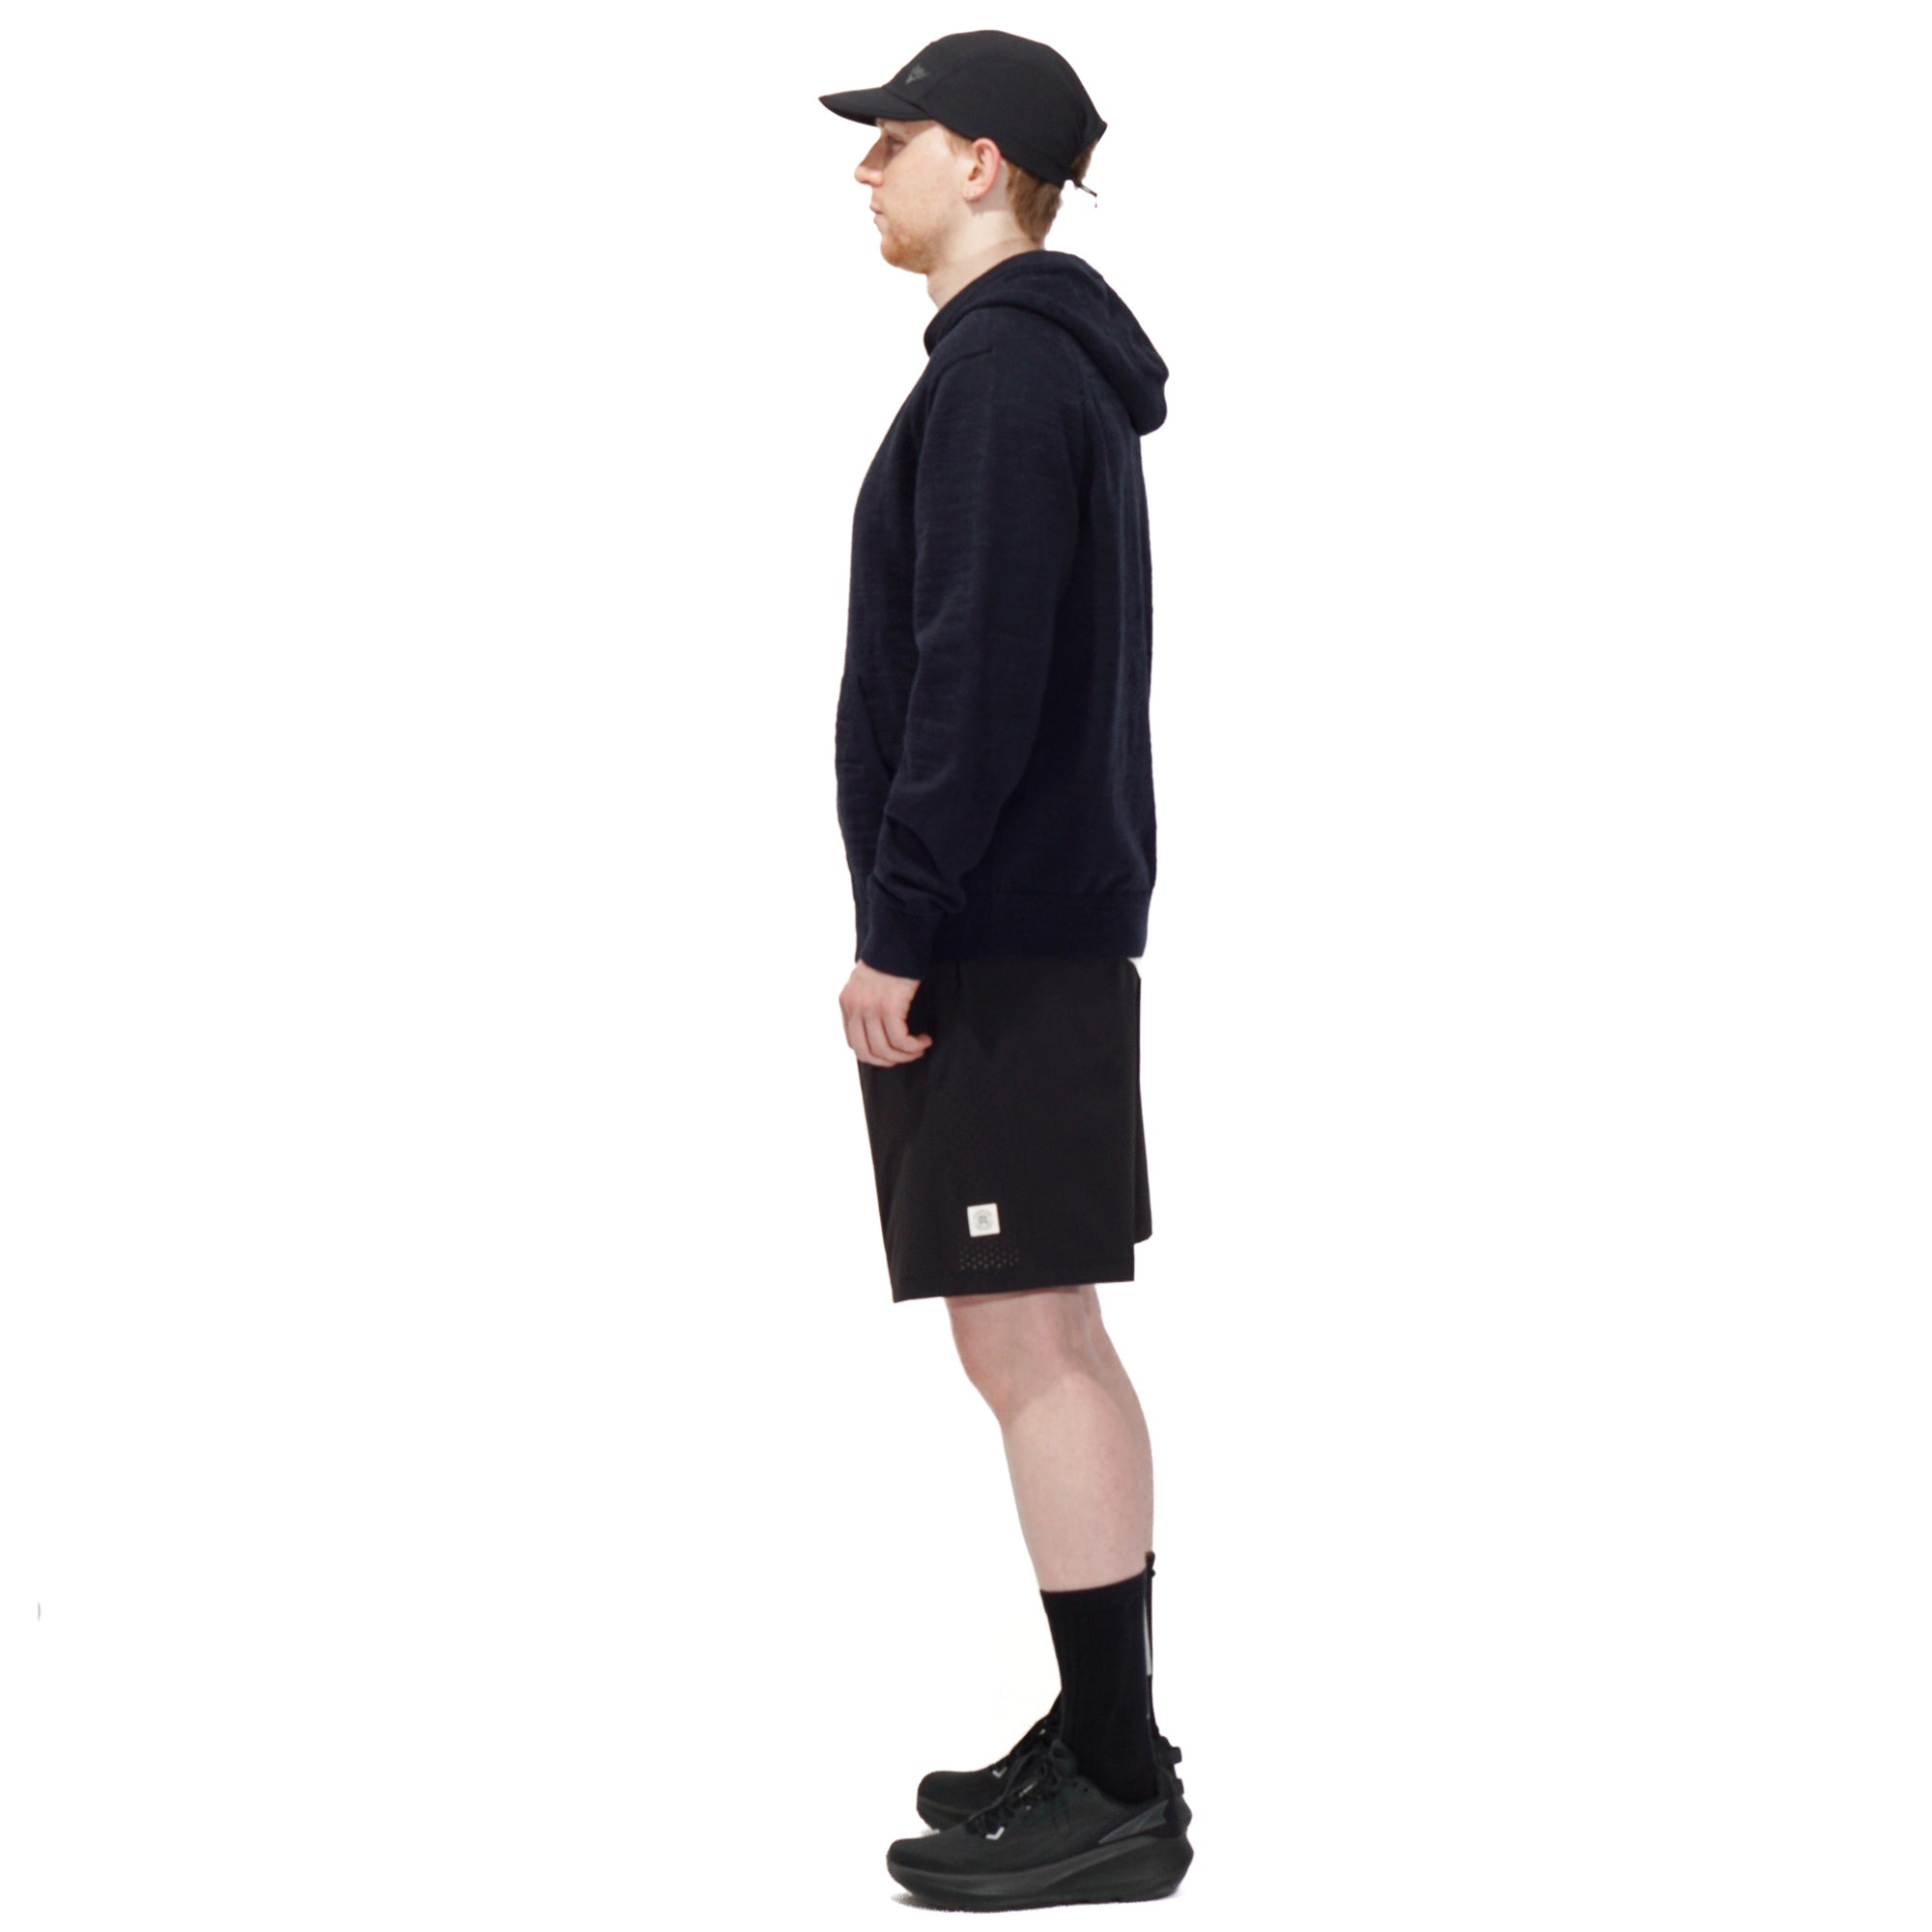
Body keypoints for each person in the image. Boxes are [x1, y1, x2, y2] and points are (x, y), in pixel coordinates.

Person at [821, 32, 1193, 1911]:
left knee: (1031, 1343)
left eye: (891, 137)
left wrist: (901, 928)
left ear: (981, 162)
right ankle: (1106, 1736)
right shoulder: (1027, 370)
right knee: (1035, 1338)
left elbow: (971, 680)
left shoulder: (1003, 378)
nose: (862, 168)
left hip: (1001, 936)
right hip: (1032, 927)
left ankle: (1119, 1786)